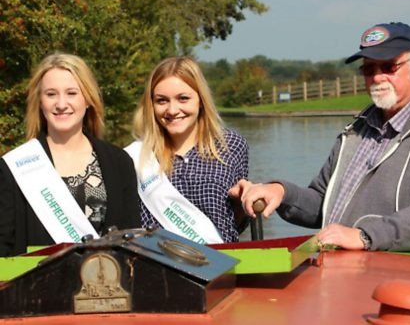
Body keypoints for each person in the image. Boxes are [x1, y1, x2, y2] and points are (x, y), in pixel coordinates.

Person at [230, 22, 410, 252]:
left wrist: (365, 236)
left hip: (403, 280)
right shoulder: (356, 130)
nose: (377, 78)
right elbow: (322, 203)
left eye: (388, 67)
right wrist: (280, 192)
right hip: (342, 275)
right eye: (369, 69)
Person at [0, 52, 140, 257]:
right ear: (40, 101)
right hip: (36, 287)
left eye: (72, 93)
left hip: (106, 286)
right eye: (51, 94)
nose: (61, 104)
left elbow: (133, 242)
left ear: (88, 99)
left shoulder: (119, 162)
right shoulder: (14, 167)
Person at [125, 56, 249, 244]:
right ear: (151, 105)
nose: (172, 110)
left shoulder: (231, 145)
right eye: (161, 101)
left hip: (219, 266)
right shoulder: (135, 157)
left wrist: (243, 202)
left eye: (183, 98)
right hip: (154, 266)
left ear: (200, 100)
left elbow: (237, 225)